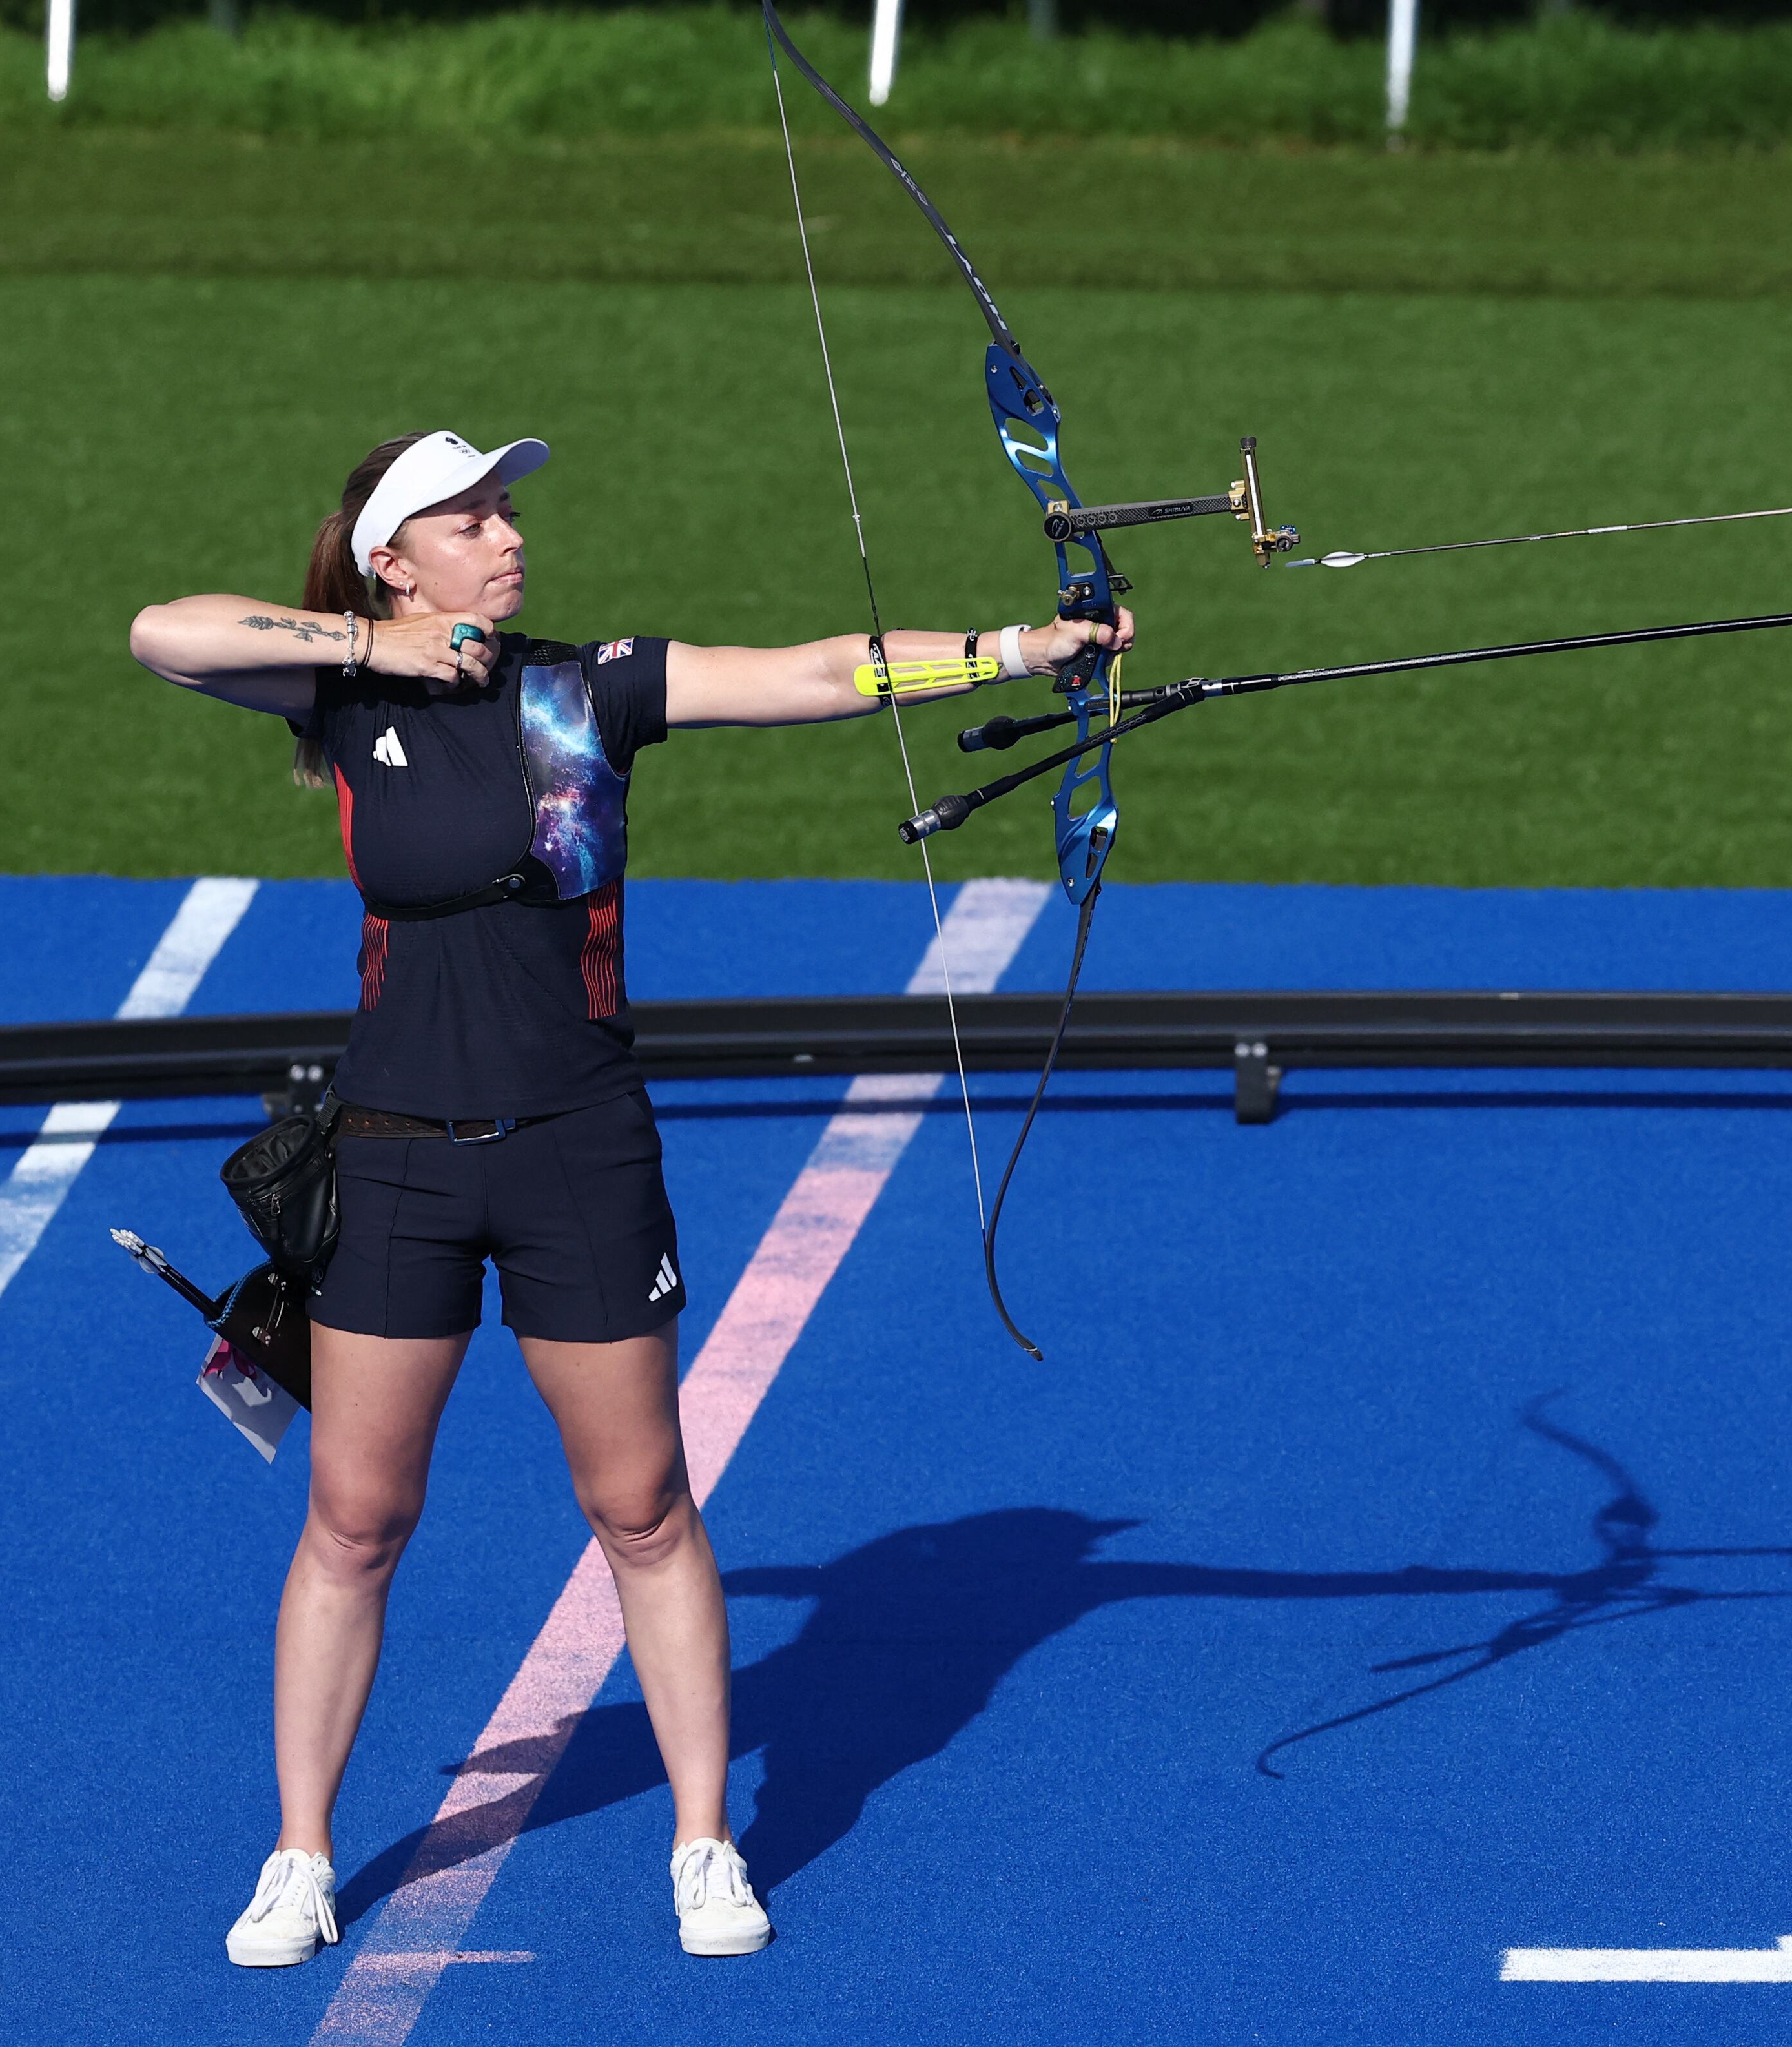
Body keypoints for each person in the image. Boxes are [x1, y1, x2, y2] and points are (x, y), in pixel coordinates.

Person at [127, 429, 1133, 1966]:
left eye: (507, 510)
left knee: (643, 1505)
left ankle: (704, 1842)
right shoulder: (338, 684)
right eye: (468, 518)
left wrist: (1012, 647)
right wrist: (370, 640)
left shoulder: (578, 686)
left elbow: (807, 671)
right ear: (397, 556)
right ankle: (301, 1853)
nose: (507, 533)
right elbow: (165, 633)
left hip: (579, 1148)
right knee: (354, 1517)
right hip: (394, 1153)